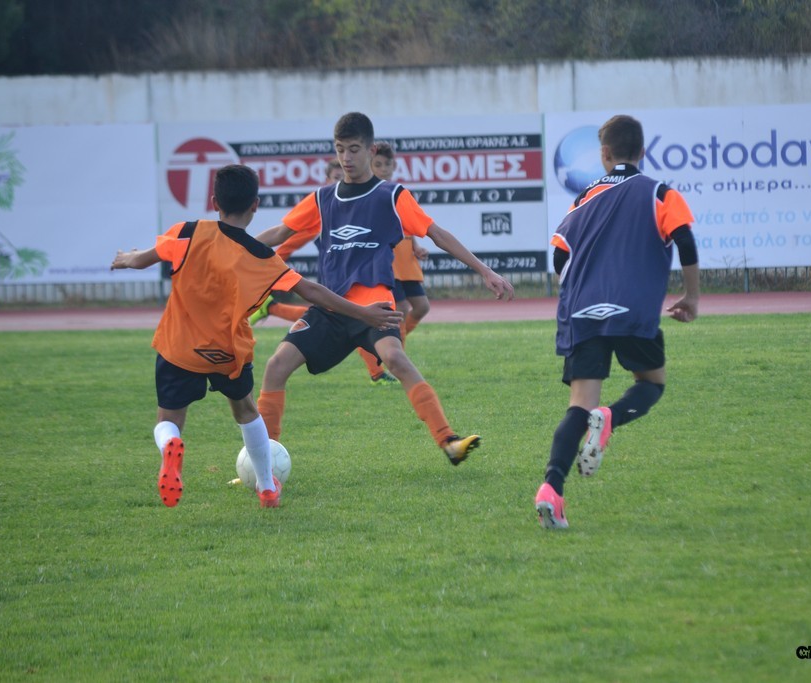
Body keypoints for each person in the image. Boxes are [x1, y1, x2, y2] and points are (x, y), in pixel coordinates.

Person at [111, 164, 402, 508]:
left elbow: (144, 259)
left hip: (178, 347)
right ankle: (266, 487)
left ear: (214, 201)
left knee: (168, 420)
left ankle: (170, 446)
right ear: (255, 205)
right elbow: (313, 291)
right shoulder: (262, 257)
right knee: (247, 412)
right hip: (227, 353)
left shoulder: (187, 232)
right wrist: (364, 313)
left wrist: (126, 258)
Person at [255, 111, 515, 466]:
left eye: (354, 149)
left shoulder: (391, 195)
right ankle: (263, 464)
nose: (346, 158)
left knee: (395, 358)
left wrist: (484, 271)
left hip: (374, 306)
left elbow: (437, 234)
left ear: (370, 150)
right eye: (340, 149)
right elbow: (279, 233)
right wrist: (231, 244)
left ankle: (449, 441)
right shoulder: (322, 198)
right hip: (331, 307)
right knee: (275, 366)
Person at [534, 114, 700, 529]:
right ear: (642, 151)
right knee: (652, 383)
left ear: (604, 154)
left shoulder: (584, 197)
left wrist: (584, 289)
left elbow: (559, 256)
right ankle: (610, 418)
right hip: (631, 310)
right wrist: (692, 296)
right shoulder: (659, 193)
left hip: (582, 313)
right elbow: (684, 239)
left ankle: (551, 490)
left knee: (578, 405)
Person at [249, 158, 400, 385]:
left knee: (363, 319)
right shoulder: (322, 211)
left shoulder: (360, 206)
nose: (343, 181)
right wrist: (268, 272)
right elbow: (286, 241)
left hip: (353, 282)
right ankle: (271, 307)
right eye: (337, 178)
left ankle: (377, 372)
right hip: (332, 283)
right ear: (327, 180)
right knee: (350, 320)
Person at [372, 142, 431, 343]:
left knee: (422, 307)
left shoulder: (398, 192)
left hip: (406, 260)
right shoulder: (370, 194)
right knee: (402, 309)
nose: (383, 169)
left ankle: (396, 340)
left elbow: (407, 225)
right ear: (370, 165)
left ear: (394, 166)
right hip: (389, 261)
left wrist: (416, 246)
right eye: (378, 165)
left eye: (387, 164)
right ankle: (397, 352)